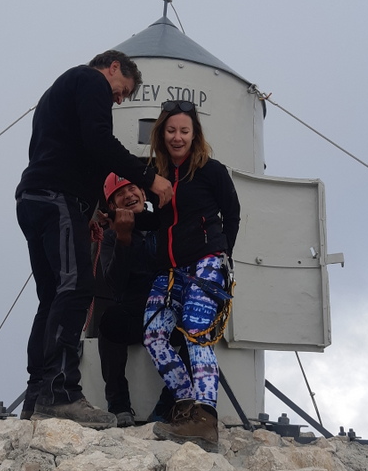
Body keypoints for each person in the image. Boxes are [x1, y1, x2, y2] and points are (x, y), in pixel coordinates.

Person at [15, 51, 172, 428]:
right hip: (58, 199)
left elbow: (69, 152)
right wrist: (149, 178)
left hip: (34, 199)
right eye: (123, 91)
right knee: (76, 288)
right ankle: (61, 393)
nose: (119, 99)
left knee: (51, 296)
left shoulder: (55, 95)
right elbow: (100, 141)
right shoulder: (90, 80)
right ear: (113, 67)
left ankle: (37, 395)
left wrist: (91, 211)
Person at [143, 100, 240, 448]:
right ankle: (186, 406)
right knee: (154, 334)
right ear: (161, 134)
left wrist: (222, 253)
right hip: (171, 269)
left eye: (184, 131)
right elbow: (160, 221)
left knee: (197, 332)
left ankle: (205, 418)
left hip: (206, 262)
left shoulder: (211, 170)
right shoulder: (156, 175)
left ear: (194, 134)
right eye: (171, 130)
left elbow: (233, 213)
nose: (177, 137)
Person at [96, 172, 175, 426]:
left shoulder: (164, 226)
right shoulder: (110, 237)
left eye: (132, 189)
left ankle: (167, 406)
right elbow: (115, 284)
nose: (129, 195)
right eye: (120, 194)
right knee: (109, 321)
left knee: (197, 330)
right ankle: (119, 406)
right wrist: (124, 238)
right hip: (134, 314)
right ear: (112, 205)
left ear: (143, 192)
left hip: (166, 313)